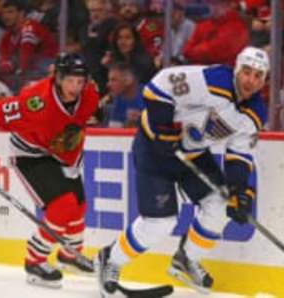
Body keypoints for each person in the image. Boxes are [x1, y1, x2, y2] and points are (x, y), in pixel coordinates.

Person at [96, 46, 269, 295]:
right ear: (237, 69)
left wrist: (240, 190)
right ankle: (109, 260)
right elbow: (159, 85)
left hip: (193, 155)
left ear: (264, 80)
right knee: (160, 223)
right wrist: (163, 127)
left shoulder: (254, 113)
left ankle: (186, 259)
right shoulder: (213, 81)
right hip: (155, 149)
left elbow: (239, 153)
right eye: (247, 72)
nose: (250, 80)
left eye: (258, 76)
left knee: (221, 204)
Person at [0, 53, 99, 288]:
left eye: (80, 81)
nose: (76, 87)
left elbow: (79, 121)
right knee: (62, 205)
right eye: (70, 81)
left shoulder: (90, 95)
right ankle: (35, 261)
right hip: (31, 153)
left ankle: (70, 255)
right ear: (58, 78)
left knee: (78, 205)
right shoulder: (35, 101)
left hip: (66, 154)